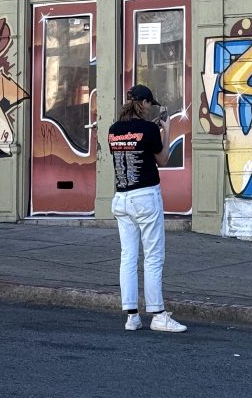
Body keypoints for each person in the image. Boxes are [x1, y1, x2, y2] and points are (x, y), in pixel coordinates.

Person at [108, 84, 187, 333]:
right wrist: (167, 131)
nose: (150, 107)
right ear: (143, 104)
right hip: (145, 197)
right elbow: (162, 159)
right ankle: (158, 313)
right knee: (153, 256)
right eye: (149, 103)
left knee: (128, 257)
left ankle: (131, 316)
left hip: (122, 197)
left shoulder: (113, 130)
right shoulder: (149, 129)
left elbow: (132, 147)